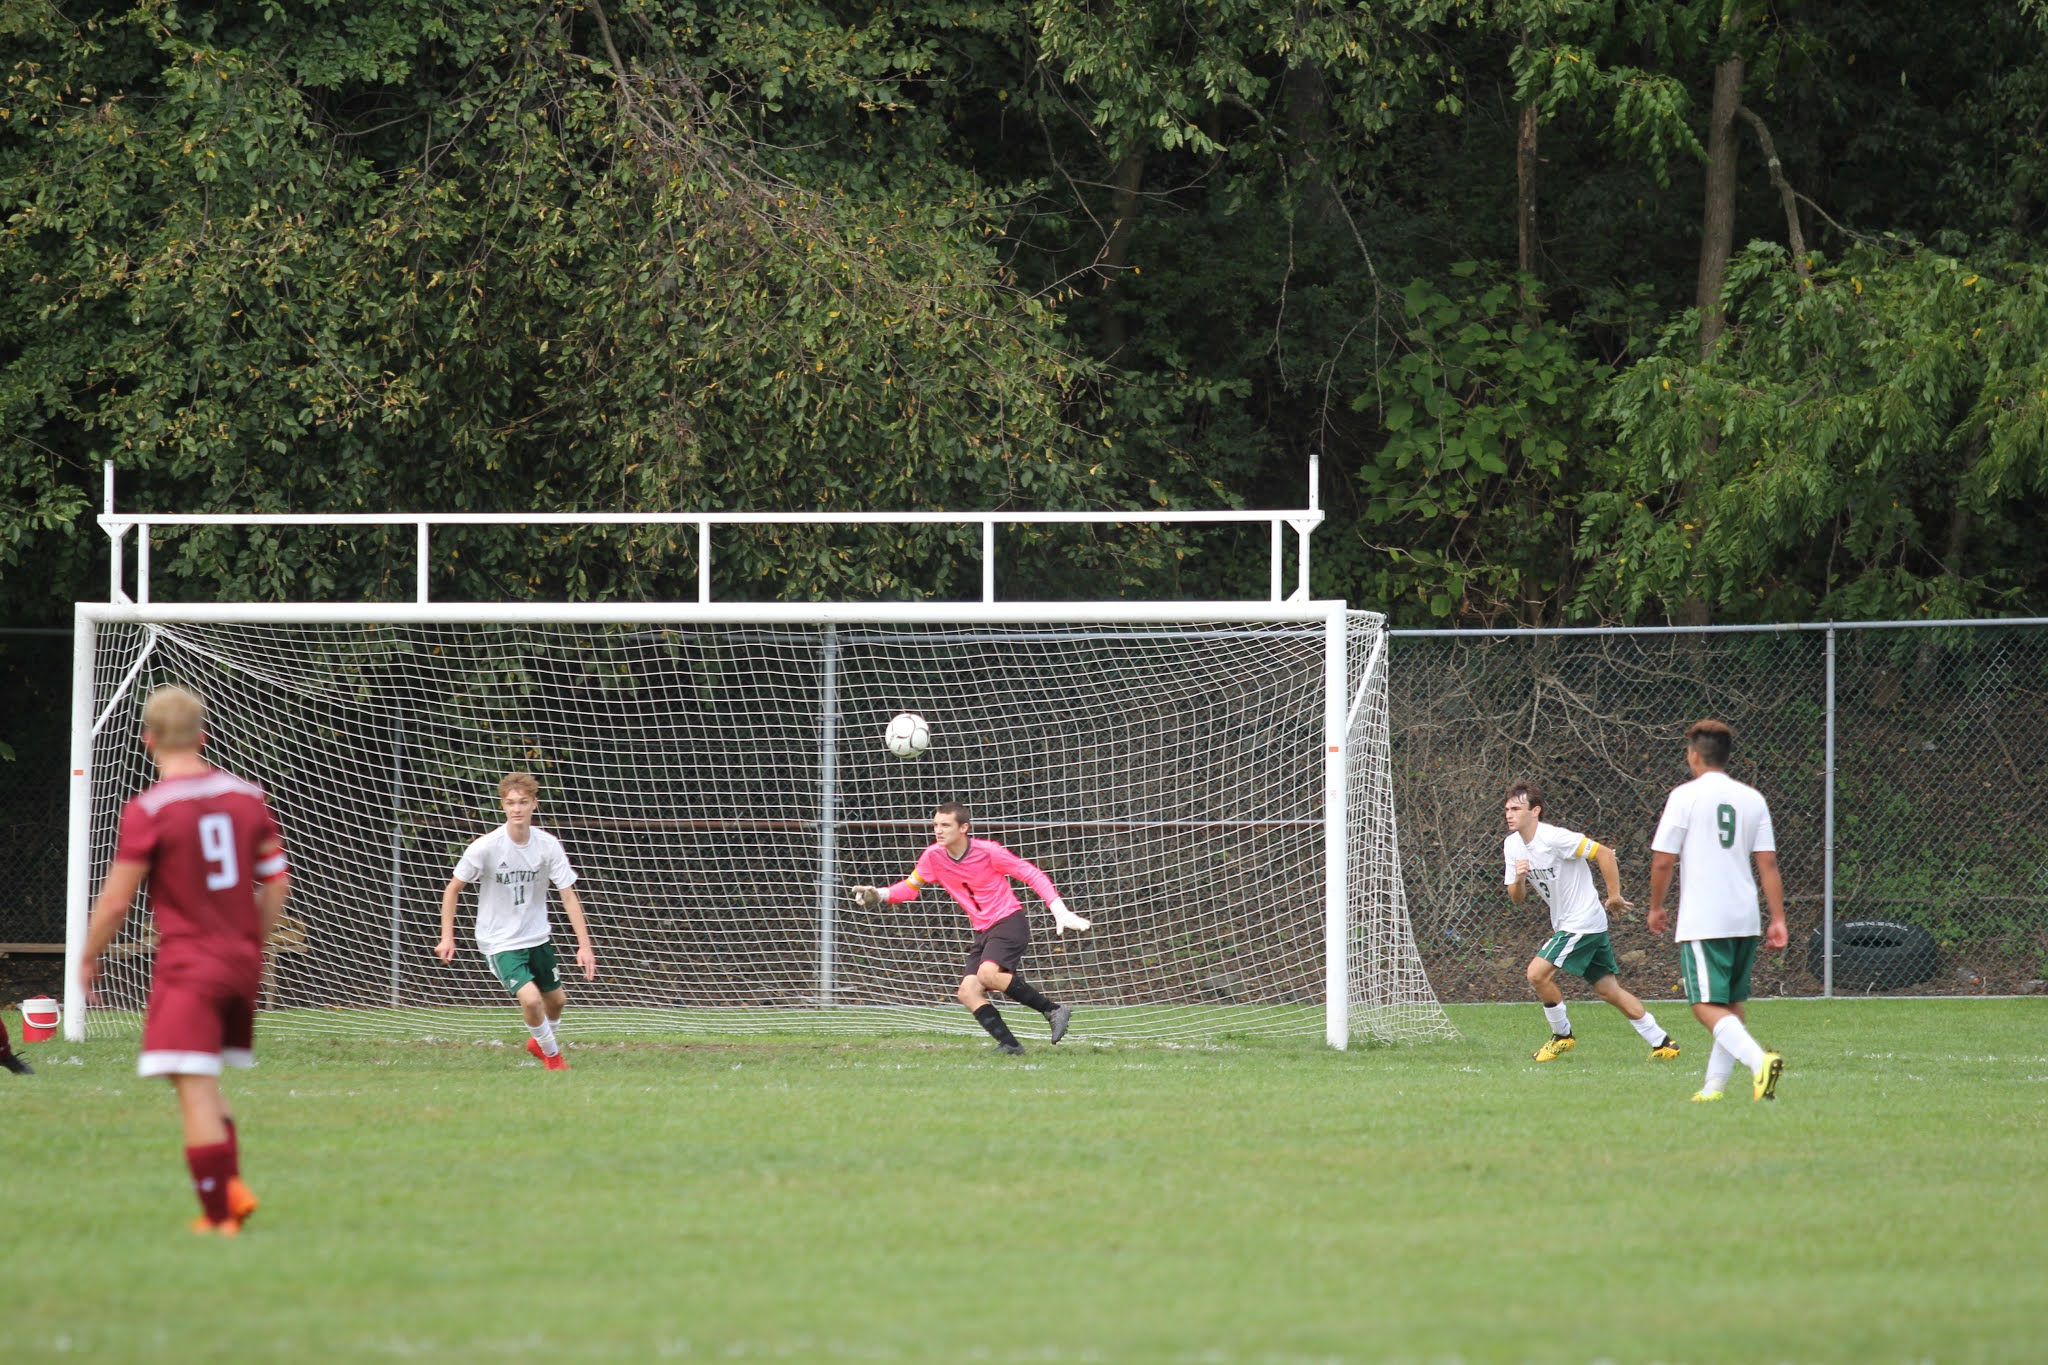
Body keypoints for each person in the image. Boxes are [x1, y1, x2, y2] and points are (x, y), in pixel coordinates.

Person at [80, 685, 292, 1234]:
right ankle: (234, 1188)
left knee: (192, 1084)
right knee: (201, 1078)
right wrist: (256, 940)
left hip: (190, 963)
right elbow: (276, 878)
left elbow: (118, 899)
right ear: (202, 735)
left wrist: (87, 956)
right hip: (240, 960)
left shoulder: (148, 809)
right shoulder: (249, 796)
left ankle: (218, 1213)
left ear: (147, 739)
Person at [851, 802, 1092, 1055]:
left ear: (963, 827)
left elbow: (1031, 874)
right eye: (935, 825)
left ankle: (1053, 1010)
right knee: (967, 991)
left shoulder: (988, 851)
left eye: (945, 825)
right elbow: (910, 889)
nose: (938, 830)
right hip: (983, 930)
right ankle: (1010, 1046)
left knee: (988, 975)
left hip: (1008, 920)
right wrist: (879, 895)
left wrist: (1059, 910)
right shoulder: (933, 856)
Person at [1647, 719, 1789, 1103]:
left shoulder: (1684, 796)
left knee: (1704, 1005)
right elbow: (1769, 864)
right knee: (1730, 1005)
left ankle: (1760, 1062)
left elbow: (1663, 861)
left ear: (1694, 755)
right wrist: (1777, 918)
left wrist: (1656, 906)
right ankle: (1714, 1087)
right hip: (1744, 917)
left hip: (1704, 918)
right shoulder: (1752, 798)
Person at [1502, 782, 1679, 1063]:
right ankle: (1663, 1042)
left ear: (1535, 811)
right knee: (1608, 990)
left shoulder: (1555, 838)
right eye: (1507, 809)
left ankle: (1562, 1036)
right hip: (1573, 924)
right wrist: (1520, 879)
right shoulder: (1512, 845)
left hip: (1582, 922)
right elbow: (1517, 897)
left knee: (1537, 974)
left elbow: (1604, 853)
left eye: (1516, 808)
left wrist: (1614, 896)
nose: (1509, 814)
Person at [436, 772, 595, 1070]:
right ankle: (554, 1058)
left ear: (534, 804)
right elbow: (452, 889)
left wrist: (584, 946)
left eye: (523, 802)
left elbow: (569, 896)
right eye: (510, 803)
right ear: (503, 806)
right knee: (532, 1000)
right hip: (500, 941)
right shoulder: (486, 847)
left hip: (537, 936)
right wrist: (447, 936)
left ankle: (540, 1041)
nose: (516, 809)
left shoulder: (548, 845)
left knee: (557, 1001)